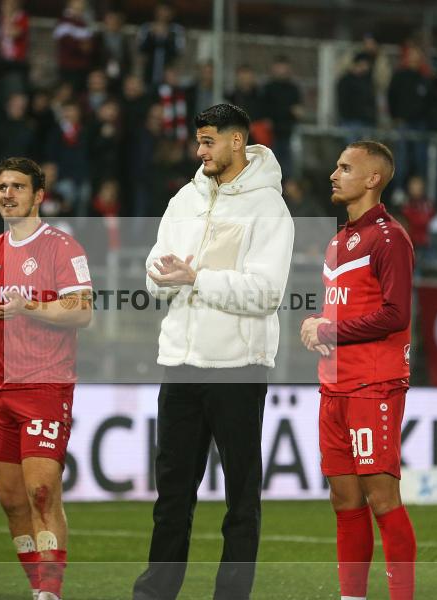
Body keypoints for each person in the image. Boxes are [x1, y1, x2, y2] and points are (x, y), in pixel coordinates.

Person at [133, 104, 294, 600]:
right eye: (198, 141)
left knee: (240, 499)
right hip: (180, 363)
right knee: (171, 496)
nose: (199, 150)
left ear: (236, 142)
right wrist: (161, 278)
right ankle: (155, 593)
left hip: (238, 369)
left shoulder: (270, 209)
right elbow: (151, 273)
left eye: (208, 141)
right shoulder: (184, 198)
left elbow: (267, 292)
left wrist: (196, 278)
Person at [0, 157, 93, 600]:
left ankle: (50, 593)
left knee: (40, 491)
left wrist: (28, 306)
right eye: (1, 186)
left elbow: (82, 311)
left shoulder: (62, 248)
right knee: (12, 500)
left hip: (45, 387)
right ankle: (38, 587)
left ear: (38, 196)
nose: (7, 194)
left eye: (17, 187)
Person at [300, 141, 417, 600]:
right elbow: (344, 310)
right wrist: (317, 326)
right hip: (335, 387)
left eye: (346, 167)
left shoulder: (390, 237)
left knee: (382, 499)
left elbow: (395, 314)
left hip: (374, 384)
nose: (334, 173)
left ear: (373, 179)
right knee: (344, 501)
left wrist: (329, 328)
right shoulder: (336, 241)